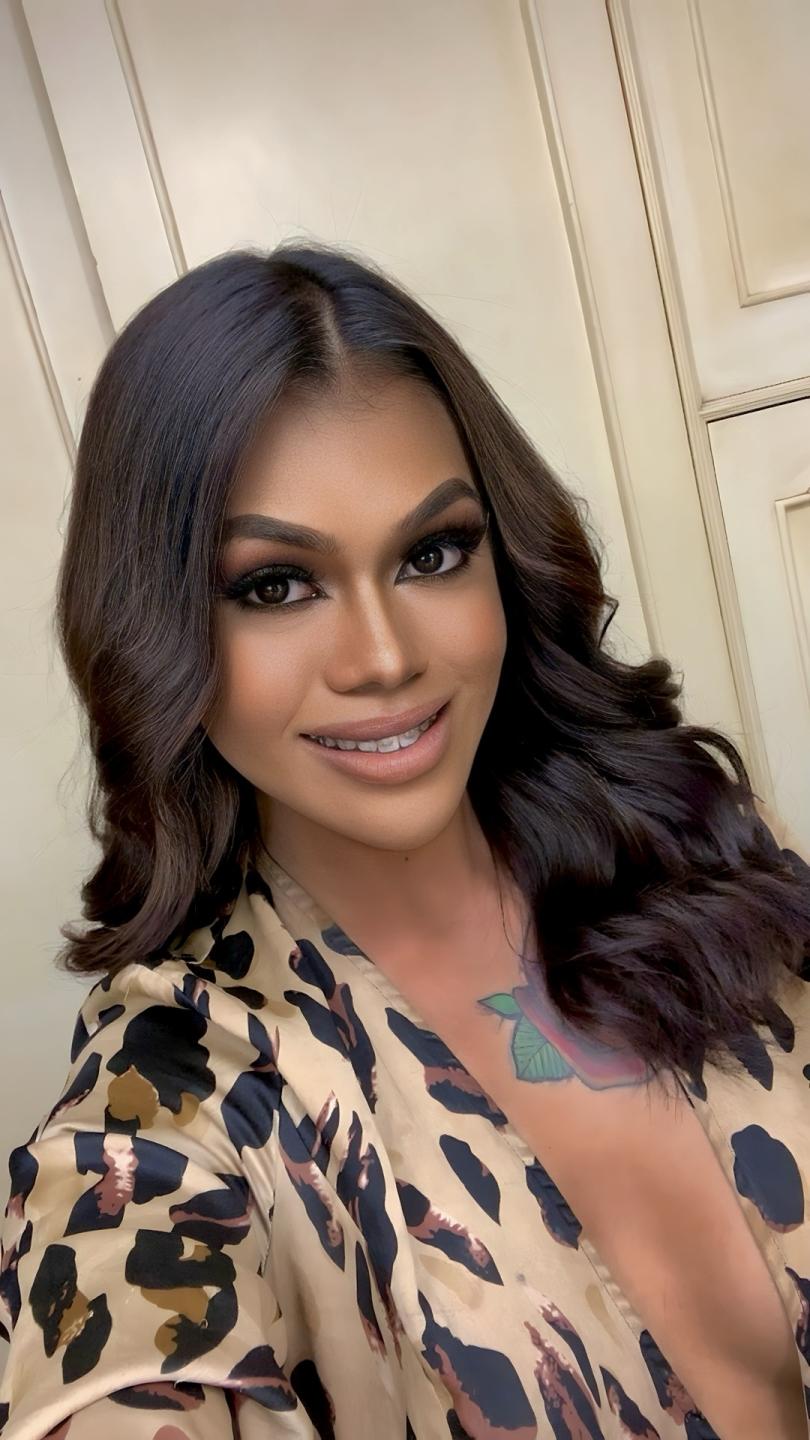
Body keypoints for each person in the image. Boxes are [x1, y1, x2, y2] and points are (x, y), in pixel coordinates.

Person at [0, 242, 808, 1440]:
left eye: (432, 555)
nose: (383, 658)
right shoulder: (181, 1097)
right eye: (275, 585)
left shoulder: (683, 839)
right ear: (157, 629)